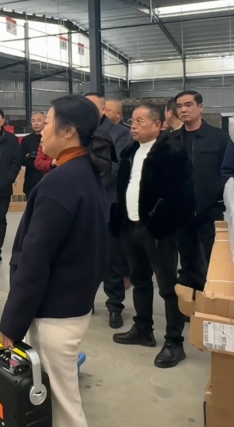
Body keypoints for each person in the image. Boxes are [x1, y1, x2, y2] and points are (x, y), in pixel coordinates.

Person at [0, 95, 107, 427]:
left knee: (63, 407)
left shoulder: (60, 183)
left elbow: (35, 260)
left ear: (69, 130)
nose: (42, 130)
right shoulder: (86, 171)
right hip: (75, 303)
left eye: (47, 122)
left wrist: (12, 323)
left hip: (55, 312)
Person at [111, 104, 195, 369]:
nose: (133, 126)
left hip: (158, 231)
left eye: (140, 121)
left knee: (168, 287)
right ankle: (143, 329)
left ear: (158, 125)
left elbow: (184, 196)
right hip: (131, 226)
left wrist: (160, 221)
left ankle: (174, 342)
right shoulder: (129, 151)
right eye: (132, 121)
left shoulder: (173, 153)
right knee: (140, 281)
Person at [170, 91, 230, 291]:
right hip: (181, 213)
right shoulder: (171, 140)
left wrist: (220, 201)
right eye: (179, 106)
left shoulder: (219, 138)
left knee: (215, 259)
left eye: (188, 105)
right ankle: (193, 301)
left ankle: (215, 298)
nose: (183, 110)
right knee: (188, 262)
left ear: (200, 107)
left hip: (211, 211)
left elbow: (228, 173)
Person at [84, 93, 132, 330]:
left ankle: (115, 306)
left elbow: (117, 167)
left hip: (108, 202)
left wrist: (87, 180)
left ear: (103, 109)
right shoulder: (79, 131)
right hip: (83, 203)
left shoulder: (119, 133)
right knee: (85, 257)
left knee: (112, 259)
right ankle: (85, 301)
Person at [0, 107, 22, 264]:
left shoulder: (11, 139)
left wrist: (9, 179)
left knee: (0, 219)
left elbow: (16, 161)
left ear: (2, 121)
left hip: (3, 188)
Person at [19, 111, 46, 198]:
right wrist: (36, 160)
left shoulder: (50, 138)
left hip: (46, 177)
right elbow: (21, 159)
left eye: (39, 120)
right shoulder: (27, 139)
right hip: (31, 179)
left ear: (45, 121)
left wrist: (31, 156)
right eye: (33, 121)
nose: (36, 123)